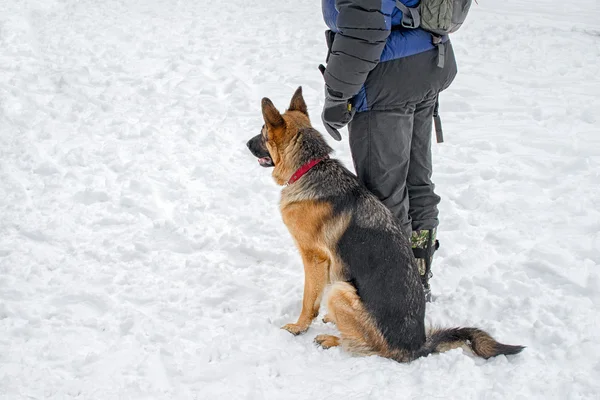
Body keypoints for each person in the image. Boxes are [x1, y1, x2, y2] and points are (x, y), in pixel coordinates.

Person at [319, 0, 457, 301]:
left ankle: (395, 291)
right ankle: (416, 277)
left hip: (387, 74)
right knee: (415, 180)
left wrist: (337, 95)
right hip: (429, 59)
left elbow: (363, 28)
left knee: (384, 194)